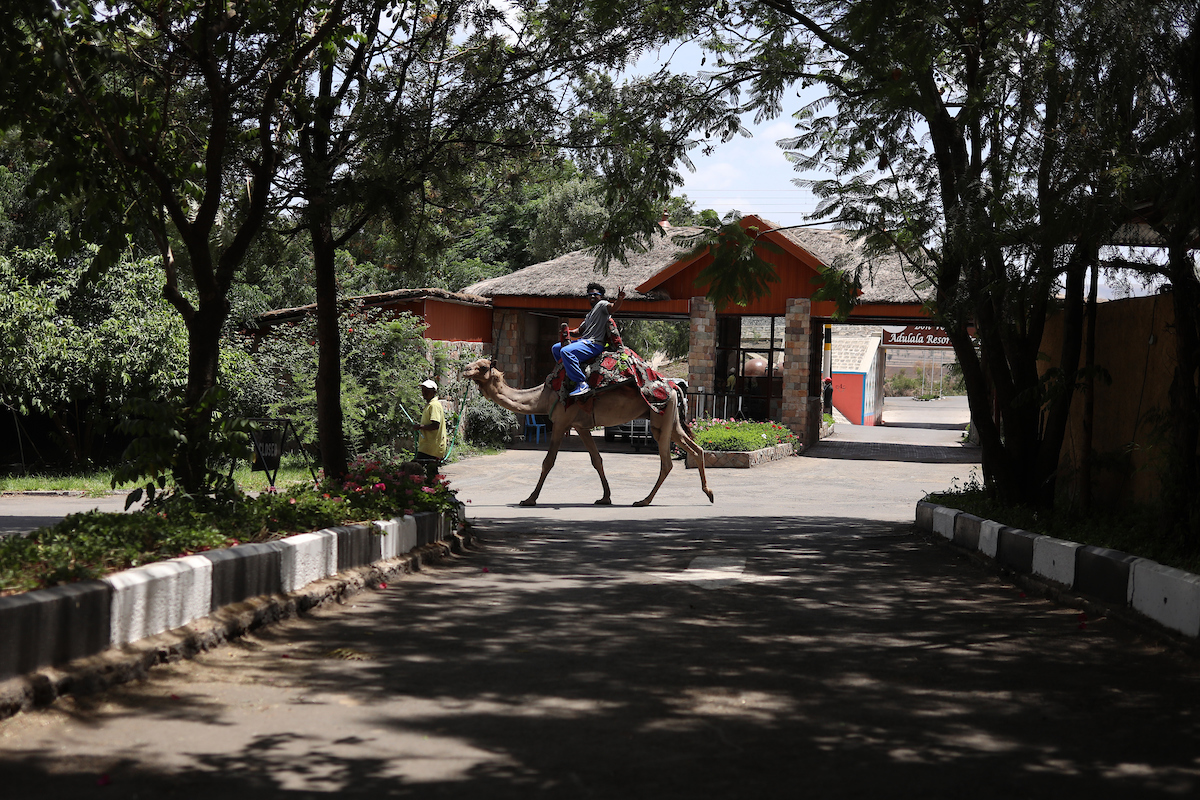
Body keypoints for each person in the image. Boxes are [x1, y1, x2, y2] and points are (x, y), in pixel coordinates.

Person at [553, 283, 625, 397]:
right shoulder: (589, 315)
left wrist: (619, 299)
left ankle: (581, 383)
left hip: (594, 344)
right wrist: (567, 332)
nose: (592, 296)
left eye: (595, 294)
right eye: (589, 294)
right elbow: (579, 332)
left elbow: (613, 308)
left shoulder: (602, 305)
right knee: (556, 348)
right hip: (583, 341)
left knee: (565, 351)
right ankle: (566, 373)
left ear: (601, 296)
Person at [413, 379, 447, 483]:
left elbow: (435, 425)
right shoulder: (430, 405)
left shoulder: (434, 405)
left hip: (431, 448)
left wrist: (420, 427)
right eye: (423, 390)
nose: (424, 392)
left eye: (427, 390)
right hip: (429, 447)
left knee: (414, 470)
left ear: (434, 392)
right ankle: (435, 492)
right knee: (431, 473)